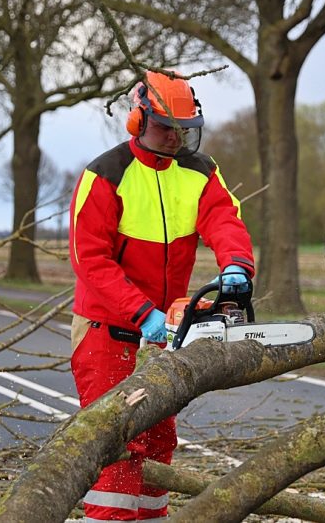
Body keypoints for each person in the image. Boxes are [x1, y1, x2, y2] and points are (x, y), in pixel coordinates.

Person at [68, 71, 256, 522]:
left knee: (157, 440)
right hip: (106, 331)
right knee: (117, 443)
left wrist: (236, 265)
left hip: (163, 331)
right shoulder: (105, 175)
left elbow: (225, 220)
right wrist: (139, 311)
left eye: (183, 129)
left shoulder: (200, 172)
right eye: (165, 127)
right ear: (138, 119)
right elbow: (90, 260)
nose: (174, 137)